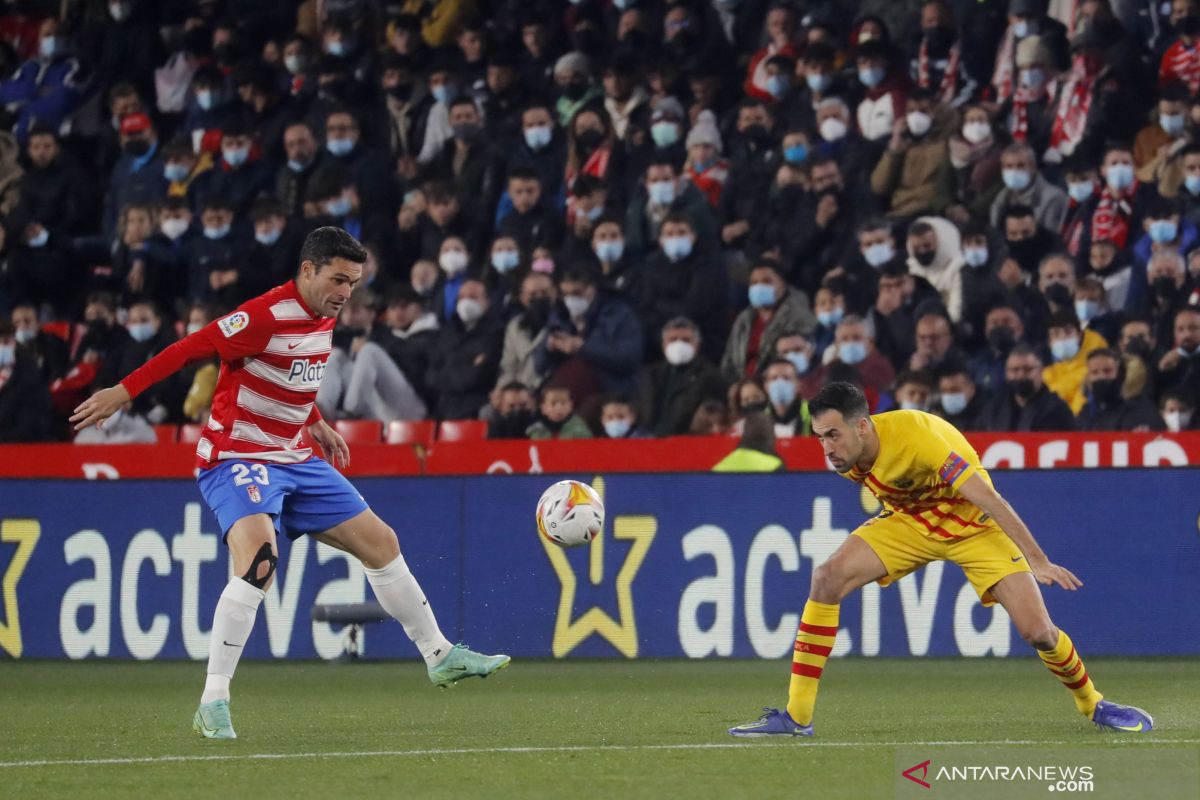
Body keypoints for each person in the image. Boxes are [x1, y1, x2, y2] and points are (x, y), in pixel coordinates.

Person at [70, 228, 510, 740]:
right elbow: (190, 348)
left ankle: (439, 656)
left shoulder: (325, 314)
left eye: (354, 282)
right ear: (308, 270)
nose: (346, 292)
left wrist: (315, 420)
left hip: (295, 455)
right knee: (260, 561)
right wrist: (123, 391)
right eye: (338, 279)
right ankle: (213, 700)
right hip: (237, 456)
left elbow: (290, 375)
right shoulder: (261, 315)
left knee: (382, 543)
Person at [728, 382, 1154, 738]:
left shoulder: (921, 440)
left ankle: (1093, 704)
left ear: (862, 425)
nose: (826, 447)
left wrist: (1038, 560)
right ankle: (797, 717)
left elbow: (991, 499)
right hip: (911, 523)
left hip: (976, 528)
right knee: (827, 578)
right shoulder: (851, 456)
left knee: (1038, 632)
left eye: (833, 435)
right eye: (819, 436)